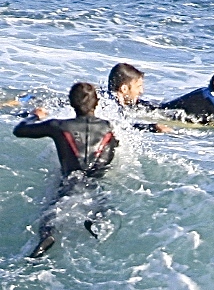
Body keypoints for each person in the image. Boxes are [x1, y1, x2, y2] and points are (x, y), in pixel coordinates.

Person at [13, 82, 119, 258]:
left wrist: (34, 116)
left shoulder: (59, 126)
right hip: (95, 183)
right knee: (100, 207)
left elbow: (19, 130)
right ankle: (93, 224)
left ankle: (47, 238)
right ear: (97, 102)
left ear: (71, 103)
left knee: (49, 219)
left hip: (70, 182)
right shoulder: (109, 127)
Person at [104, 63, 170, 132]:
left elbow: (158, 107)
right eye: (138, 86)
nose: (141, 91)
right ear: (124, 89)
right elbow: (117, 125)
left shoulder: (128, 103)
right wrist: (152, 128)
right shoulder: (109, 104)